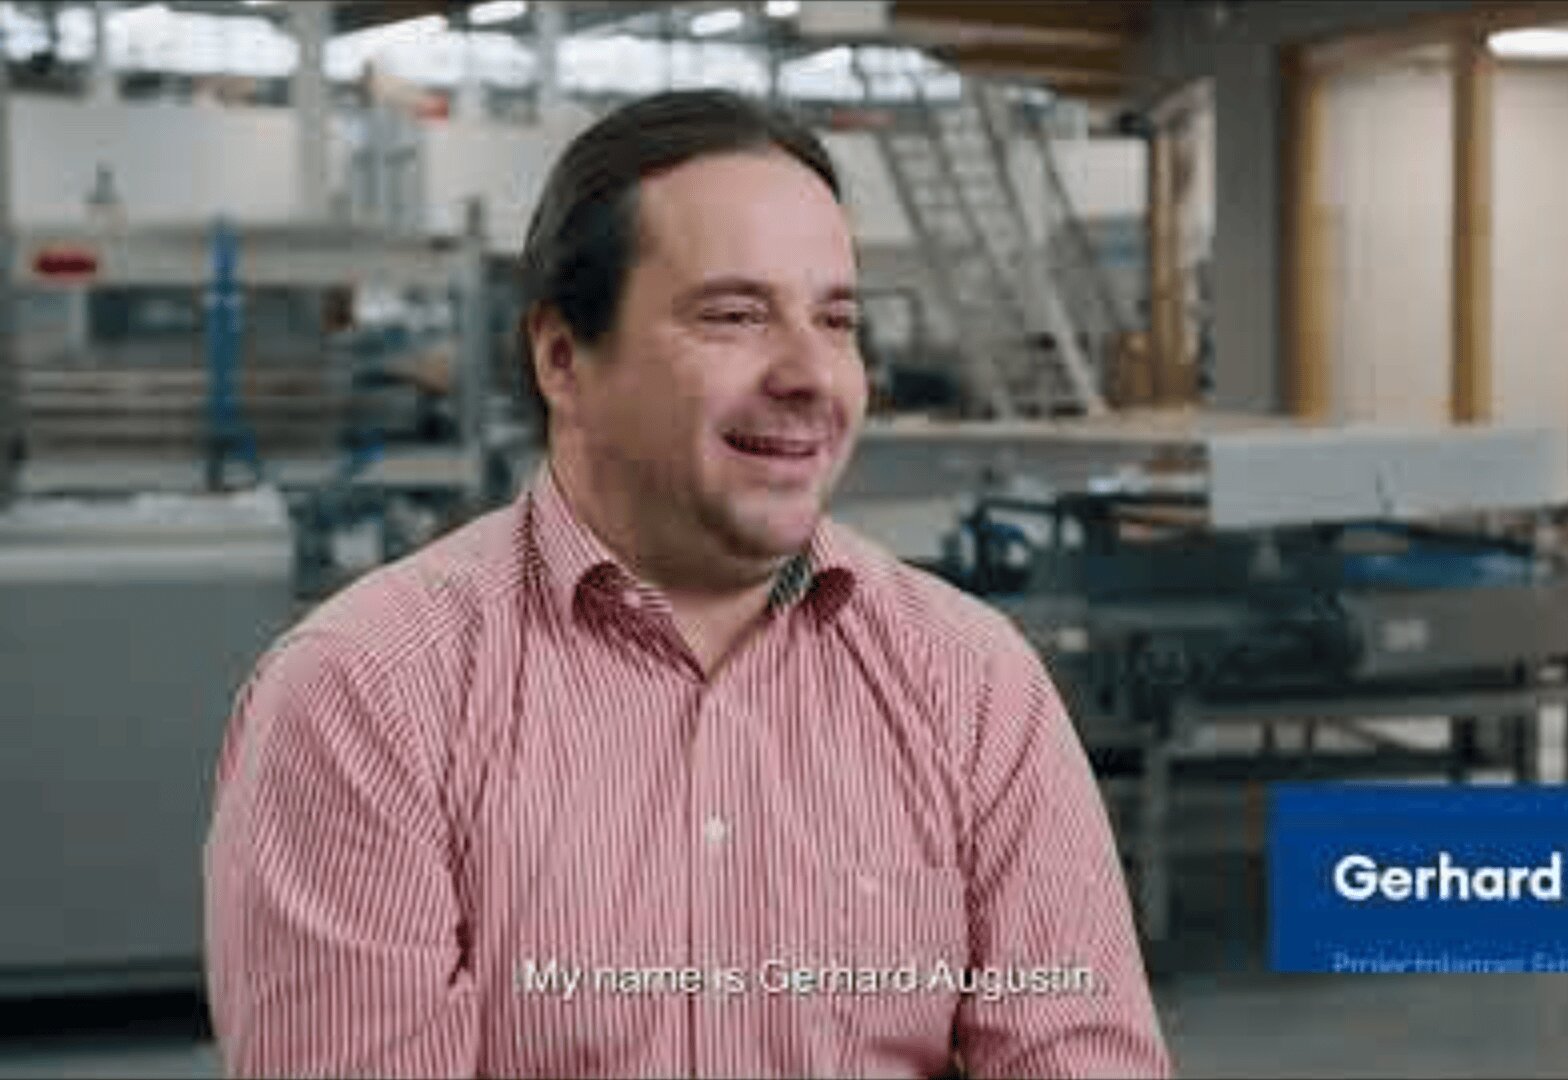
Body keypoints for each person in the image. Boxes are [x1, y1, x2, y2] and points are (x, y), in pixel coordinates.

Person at [203, 89, 1171, 1079]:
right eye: (735, 314)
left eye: (836, 322)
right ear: (563, 358)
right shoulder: (368, 697)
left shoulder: (971, 686)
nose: (810, 374)